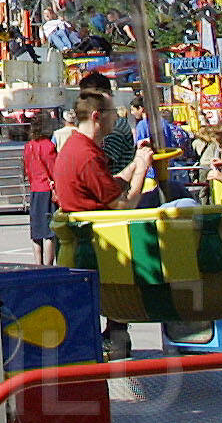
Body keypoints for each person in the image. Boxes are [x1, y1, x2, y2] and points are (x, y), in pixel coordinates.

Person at [54, 90, 156, 359]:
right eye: (112, 113)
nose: (117, 118)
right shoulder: (87, 155)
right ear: (97, 116)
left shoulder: (77, 148)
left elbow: (107, 188)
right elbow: (123, 205)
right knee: (177, 205)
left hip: (88, 233)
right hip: (100, 240)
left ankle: (116, 335)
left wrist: (135, 163)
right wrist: (142, 170)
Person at [24, 116, 58, 266]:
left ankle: (38, 264)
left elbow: (27, 169)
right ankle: (49, 265)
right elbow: (54, 169)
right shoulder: (48, 146)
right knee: (49, 232)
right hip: (47, 190)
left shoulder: (28, 146)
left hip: (35, 189)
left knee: (36, 231)